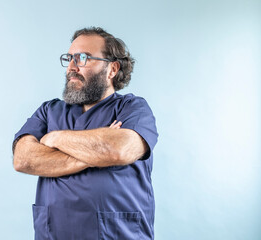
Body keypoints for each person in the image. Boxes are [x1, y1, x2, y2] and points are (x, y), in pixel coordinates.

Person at [13, 27, 158, 240]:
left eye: (83, 58)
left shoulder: (133, 109)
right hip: (55, 233)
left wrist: (55, 138)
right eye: (69, 58)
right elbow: (23, 159)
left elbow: (120, 150)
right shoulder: (49, 111)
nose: (72, 67)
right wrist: (97, 155)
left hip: (116, 233)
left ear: (112, 69)